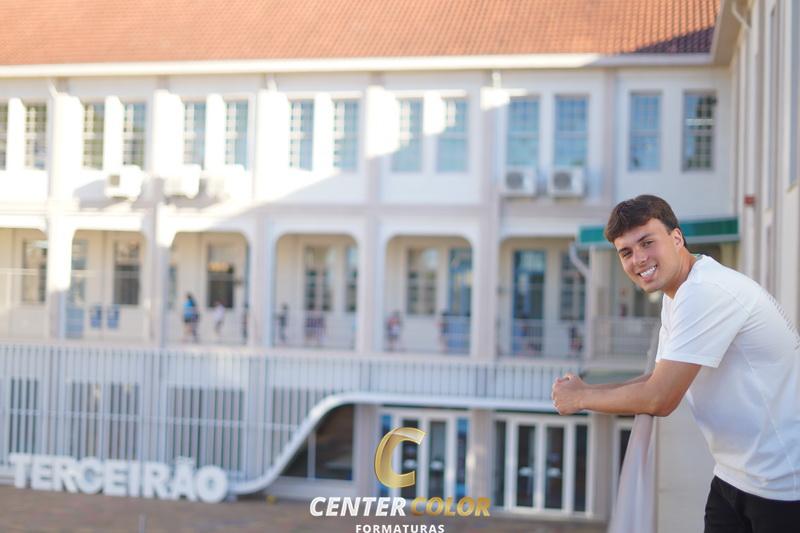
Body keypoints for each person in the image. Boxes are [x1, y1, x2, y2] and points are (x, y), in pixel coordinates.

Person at [551, 195, 800, 531]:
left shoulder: (705, 290)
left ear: (677, 238)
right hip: (735, 474)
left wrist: (581, 399)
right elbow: (656, 378)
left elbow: (660, 398)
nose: (638, 259)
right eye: (626, 252)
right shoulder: (680, 293)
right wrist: (588, 389)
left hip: (782, 483)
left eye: (647, 243)